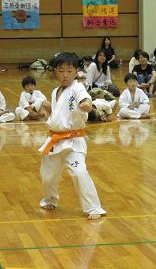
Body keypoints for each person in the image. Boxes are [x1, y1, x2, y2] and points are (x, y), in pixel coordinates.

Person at [38, 52, 106, 220]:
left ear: (76, 71)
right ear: (55, 71)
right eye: (61, 71)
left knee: (78, 172)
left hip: (73, 140)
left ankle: (94, 208)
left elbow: (85, 99)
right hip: (54, 139)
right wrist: (48, 108)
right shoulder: (55, 92)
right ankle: (50, 199)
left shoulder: (78, 87)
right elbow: (60, 113)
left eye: (69, 71)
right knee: (47, 176)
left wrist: (86, 105)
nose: (65, 75)